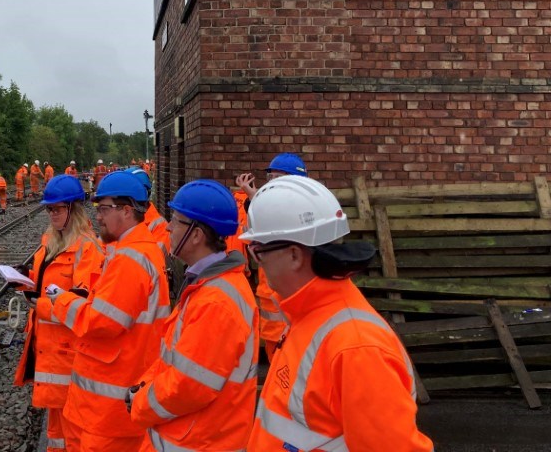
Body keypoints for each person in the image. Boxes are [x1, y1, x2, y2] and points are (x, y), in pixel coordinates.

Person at [241, 175, 434, 452]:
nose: (256, 262)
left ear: (295, 255)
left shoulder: (356, 348)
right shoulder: (306, 316)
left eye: (258, 252)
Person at [47, 170, 170, 452]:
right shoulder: (129, 250)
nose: (98, 216)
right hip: (105, 402)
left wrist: (61, 300)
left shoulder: (130, 259)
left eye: (103, 208)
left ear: (126, 211)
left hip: (108, 409)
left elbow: (101, 321)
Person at [130, 180, 258, 451]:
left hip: (199, 440)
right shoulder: (206, 284)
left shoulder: (216, 301)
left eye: (176, 221)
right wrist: (143, 386)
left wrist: (140, 403)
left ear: (197, 235)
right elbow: (176, 361)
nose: (168, 227)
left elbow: (188, 386)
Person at [14, 174, 105, 452]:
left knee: (74, 432)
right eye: (49, 209)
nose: (52, 213)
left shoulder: (87, 249)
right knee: (57, 432)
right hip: (50, 350)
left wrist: (40, 303)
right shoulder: (51, 242)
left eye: (57, 208)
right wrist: (26, 281)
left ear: (73, 210)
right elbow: (47, 285)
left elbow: (80, 304)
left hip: (69, 356)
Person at [235, 152, 307, 360]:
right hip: (272, 303)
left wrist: (253, 197)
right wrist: (251, 196)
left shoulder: (302, 211)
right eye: (270, 178)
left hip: (291, 306)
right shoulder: (275, 207)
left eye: (278, 178)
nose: (271, 184)